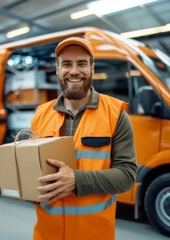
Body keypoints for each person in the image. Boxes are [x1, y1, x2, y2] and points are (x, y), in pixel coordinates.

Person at [31, 37, 138, 240]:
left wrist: (77, 181)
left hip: (94, 234)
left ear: (92, 68)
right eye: (66, 64)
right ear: (57, 69)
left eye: (81, 63)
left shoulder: (115, 114)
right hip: (47, 234)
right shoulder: (40, 115)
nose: (74, 71)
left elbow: (127, 176)